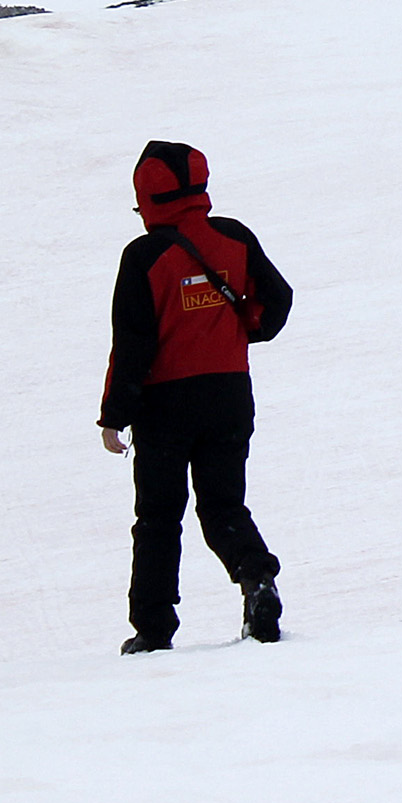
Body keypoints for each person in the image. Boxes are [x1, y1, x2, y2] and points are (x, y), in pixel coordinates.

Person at [97, 139, 295, 653]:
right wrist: (240, 332)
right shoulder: (234, 237)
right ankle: (257, 581)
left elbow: (133, 343)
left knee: (159, 517)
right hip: (229, 392)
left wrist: (113, 416)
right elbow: (277, 300)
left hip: (165, 404)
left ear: (149, 195)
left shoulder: (144, 256)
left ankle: (153, 629)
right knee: (224, 505)